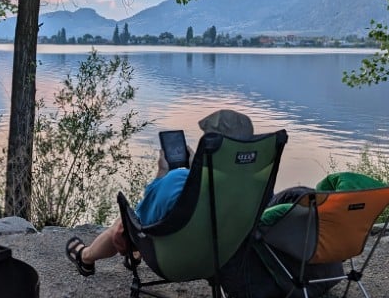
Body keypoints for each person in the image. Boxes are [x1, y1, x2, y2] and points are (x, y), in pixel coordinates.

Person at [65, 109, 255, 277]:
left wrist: (164, 174)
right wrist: (195, 174)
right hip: (220, 259)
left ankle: (85, 257)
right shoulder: (255, 184)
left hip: (176, 263)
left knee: (125, 223)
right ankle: (134, 254)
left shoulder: (178, 179)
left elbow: (142, 220)